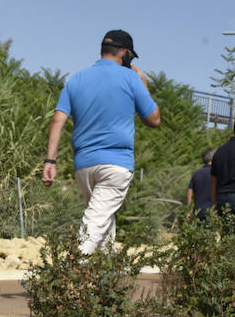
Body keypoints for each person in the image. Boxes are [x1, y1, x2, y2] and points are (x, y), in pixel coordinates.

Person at [42, 29, 161, 253]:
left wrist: (51, 160)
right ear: (125, 54)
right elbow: (154, 120)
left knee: (102, 219)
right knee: (95, 221)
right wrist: (143, 84)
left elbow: (58, 120)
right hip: (116, 163)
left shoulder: (76, 78)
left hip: (84, 166)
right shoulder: (131, 78)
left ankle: (107, 275)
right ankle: (73, 270)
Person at [185, 148, 216, 216]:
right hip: (213, 211)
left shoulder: (196, 173)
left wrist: (188, 211)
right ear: (212, 158)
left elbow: (189, 192)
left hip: (198, 211)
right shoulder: (217, 172)